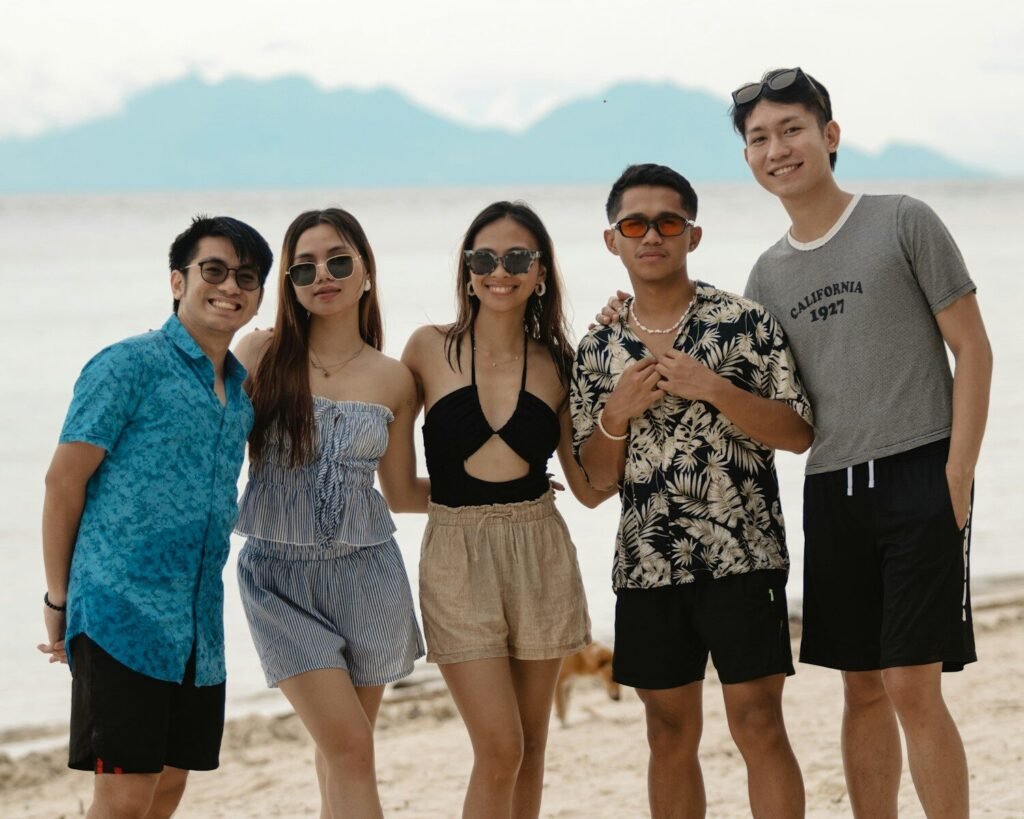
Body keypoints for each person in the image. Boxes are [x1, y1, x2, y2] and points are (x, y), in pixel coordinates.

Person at [728, 67, 993, 818]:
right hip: (832, 488)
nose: (777, 148)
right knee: (861, 684)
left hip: (922, 471)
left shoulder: (904, 220)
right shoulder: (766, 275)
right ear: (748, 159)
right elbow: (768, 402)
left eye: (792, 130)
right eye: (759, 139)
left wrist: (959, 473)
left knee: (913, 680)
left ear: (830, 136)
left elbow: (974, 350)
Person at [573, 163, 813, 818]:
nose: (652, 235)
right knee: (667, 732)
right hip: (648, 566)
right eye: (635, 223)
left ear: (693, 234)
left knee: (759, 723)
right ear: (612, 240)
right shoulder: (598, 346)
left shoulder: (745, 324)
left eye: (668, 221)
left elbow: (797, 433)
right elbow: (594, 482)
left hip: (746, 555)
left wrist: (715, 388)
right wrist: (615, 414)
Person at [38, 215, 273, 817]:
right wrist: (59, 601)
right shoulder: (126, 366)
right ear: (177, 281)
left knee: (169, 785)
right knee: (122, 799)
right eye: (212, 270)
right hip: (121, 615)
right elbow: (64, 482)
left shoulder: (239, 397)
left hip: (197, 627)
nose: (230, 286)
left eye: (246, 276)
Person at [401, 201, 613, 818]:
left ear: (541, 271)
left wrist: (619, 413)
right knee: (499, 748)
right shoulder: (424, 349)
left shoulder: (559, 363)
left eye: (517, 257)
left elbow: (591, 488)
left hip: (539, 552)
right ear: (467, 271)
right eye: (484, 258)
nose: (501, 270)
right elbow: (392, 488)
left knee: (532, 745)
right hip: (456, 558)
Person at [233, 208, 425, 818]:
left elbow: (401, 494)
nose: (324, 275)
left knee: (344, 752)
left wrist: (504, 489)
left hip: (367, 577)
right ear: (288, 283)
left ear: (366, 271)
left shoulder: (395, 379)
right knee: (349, 749)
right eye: (305, 266)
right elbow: (203, 439)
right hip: (277, 578)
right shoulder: (259, 353)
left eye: (339, 261)